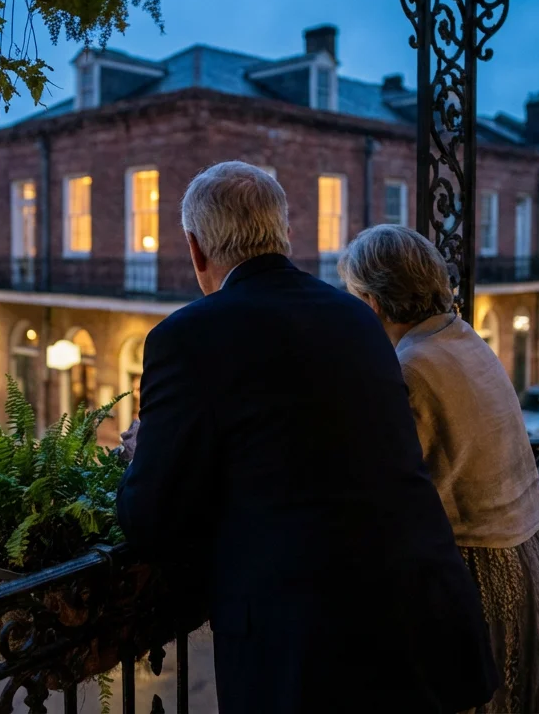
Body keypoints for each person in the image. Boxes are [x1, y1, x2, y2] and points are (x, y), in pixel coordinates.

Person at [117, 162, 499, 714]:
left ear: (196, 250)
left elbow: (150, 519)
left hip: (308, 652)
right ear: (284, 235)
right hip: (421, 620)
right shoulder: (356, 317)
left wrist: (141, 453)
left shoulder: (185, 336)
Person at [338, 224, 539, 713]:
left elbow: (380, 493)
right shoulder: (465, 340)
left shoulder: (410, 369)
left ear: (371, 303)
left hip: (484, 582)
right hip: (534, 562)